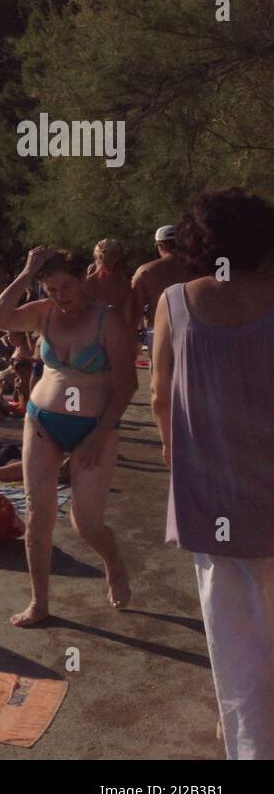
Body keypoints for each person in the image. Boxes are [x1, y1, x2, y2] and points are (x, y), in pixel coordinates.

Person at [150, 188, 274, 759]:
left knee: (236, 646)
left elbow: (158, 398)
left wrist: (182, 462)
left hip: (212, 499)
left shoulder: (176, 302)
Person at [0, 247, 136, 627]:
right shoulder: (44, 312)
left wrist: (98, 436)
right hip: (42, 422)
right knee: (38, 515)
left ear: (83, 278)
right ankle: (40, 602)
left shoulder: (109, 321)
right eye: (51, 288)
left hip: (94, 428)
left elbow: (126, 384)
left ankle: (114, 561)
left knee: (85, 522)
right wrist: (25, 273)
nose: (59, 294)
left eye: (66, 285)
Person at [126, 225, 194, 347]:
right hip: (193, 333)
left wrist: (131, 342)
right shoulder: (197, 268)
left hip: (158, 333)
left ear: (160, 245)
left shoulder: (146, 272)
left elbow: (135, 312)